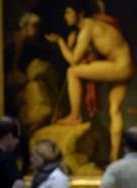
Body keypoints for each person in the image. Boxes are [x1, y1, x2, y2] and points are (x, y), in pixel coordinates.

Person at [45, 0, 134, 161]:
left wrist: (61, 42)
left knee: (72, 72)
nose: (66, 17)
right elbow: (86, 54)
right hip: (126, 65)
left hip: (118, 66)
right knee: (114, 110)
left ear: (80, 14)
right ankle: (114, 156)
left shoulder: (88, 27)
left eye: (69, 12)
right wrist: (72, 45)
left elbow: (73, 61)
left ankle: (75, 115)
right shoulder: (91, 26)